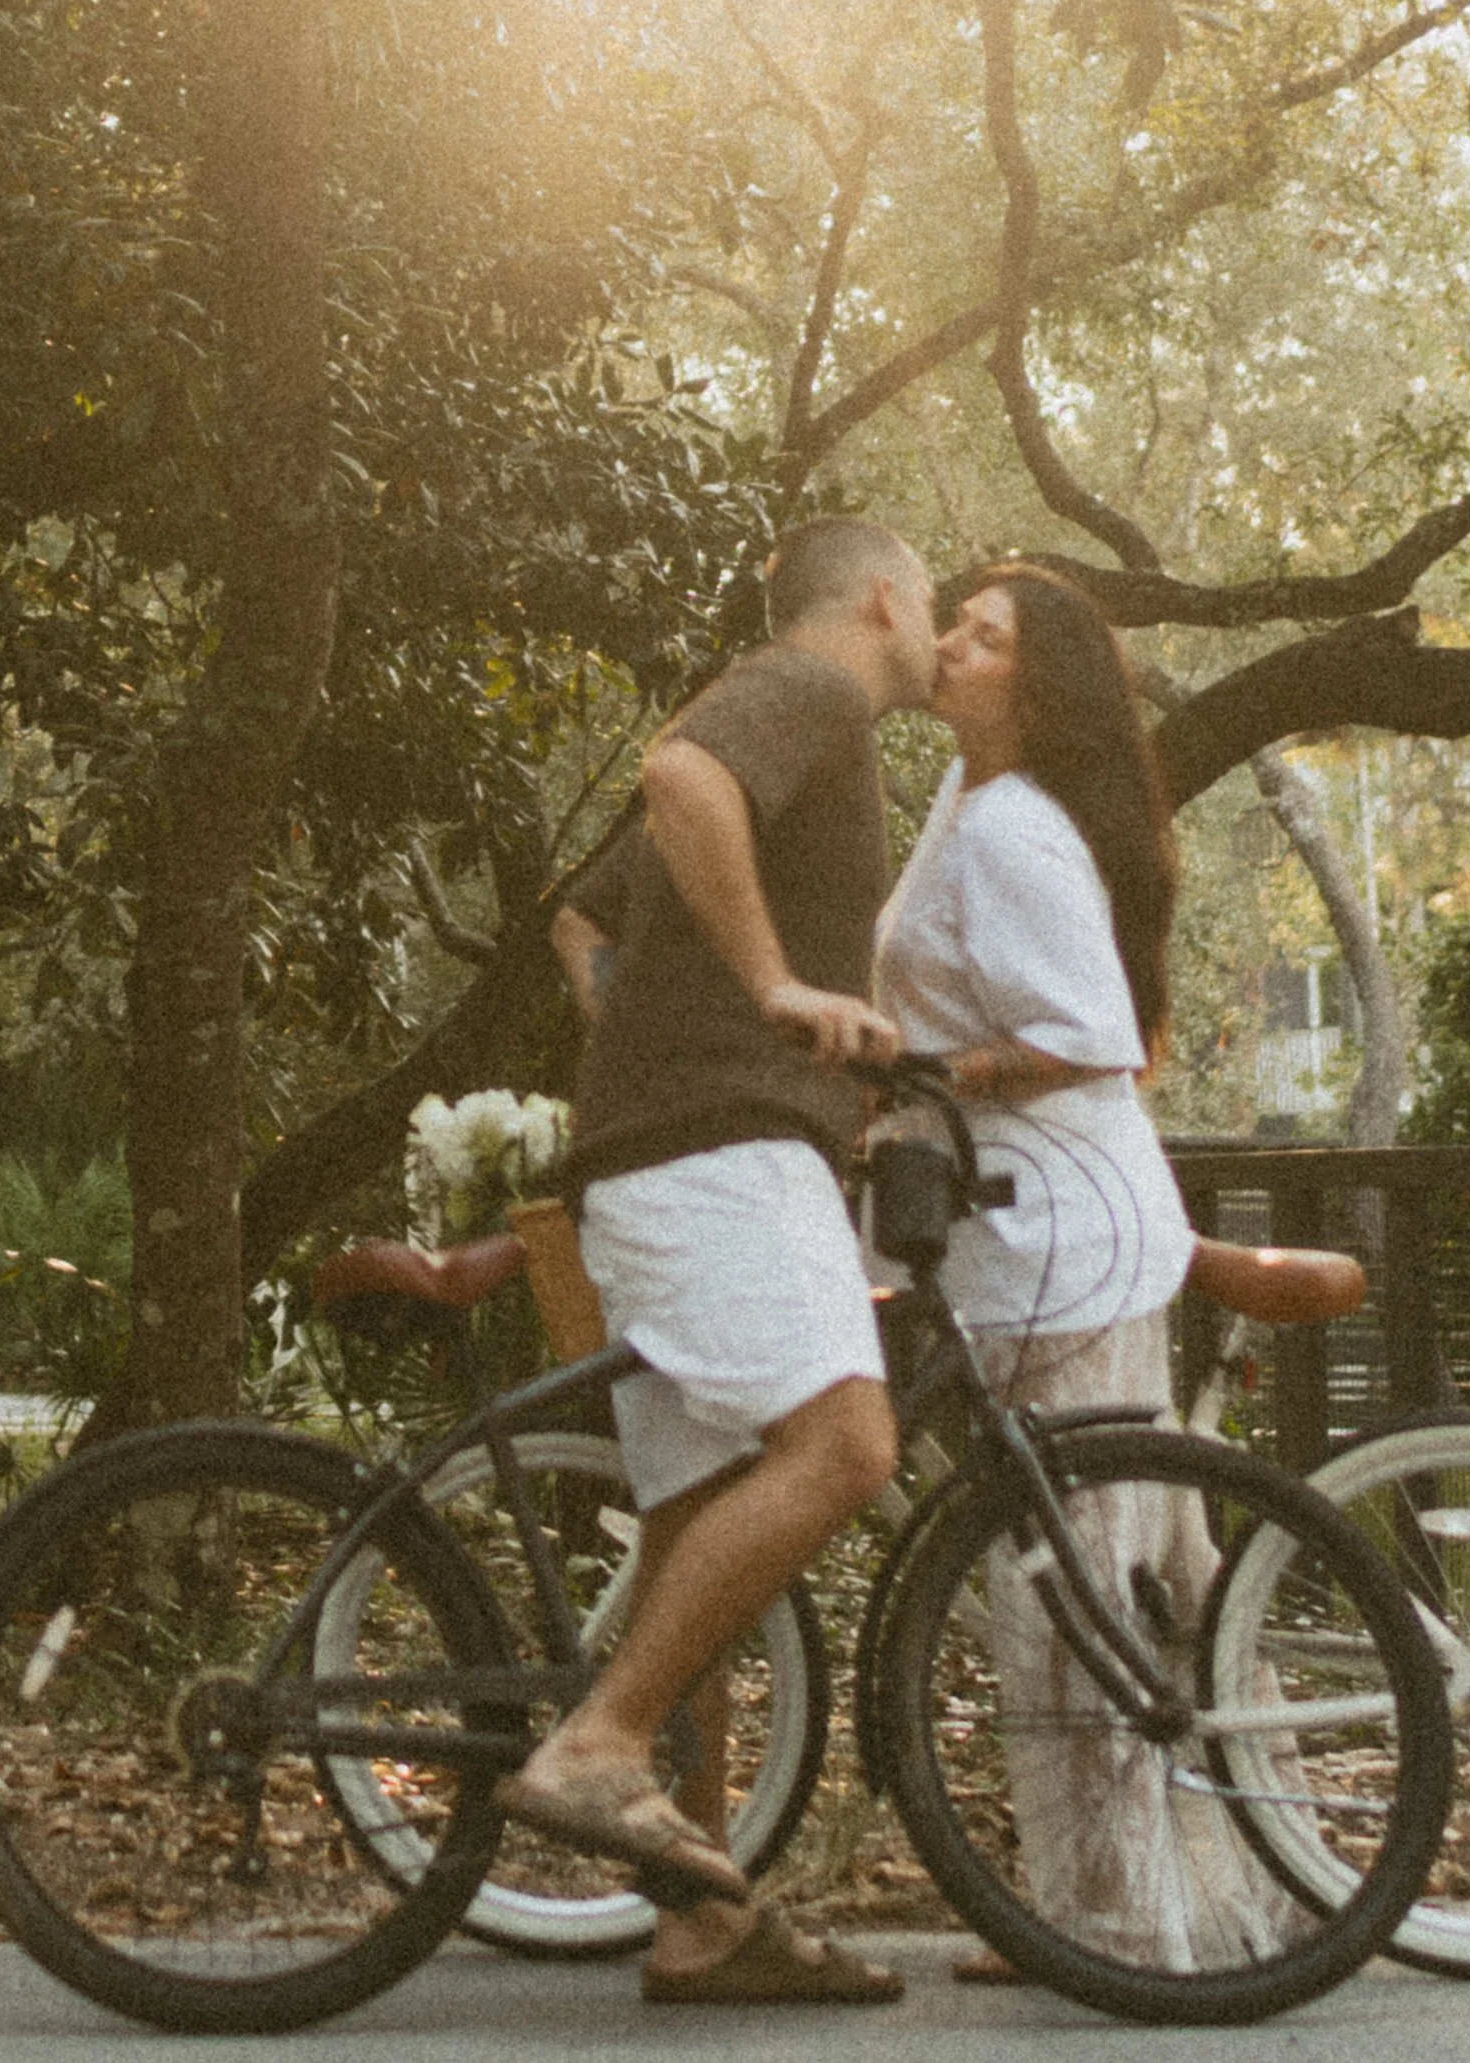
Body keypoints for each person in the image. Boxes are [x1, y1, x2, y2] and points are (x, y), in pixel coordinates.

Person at [507, 514, 936, 2005]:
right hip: (714, 1158)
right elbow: (678, 775)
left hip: (662, 1151)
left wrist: (650, 1039)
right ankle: (597, 1742)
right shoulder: (809, 690)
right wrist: (768, 993)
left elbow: (582, 918)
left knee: (705, 1546)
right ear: (886, 594)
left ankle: (696, 1917)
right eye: (934, 601)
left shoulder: (809, 739)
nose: (938, 631)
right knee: (844, 1448)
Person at [872, 558, 1293, 1978]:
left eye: (985, 639)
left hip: (1060, 1233)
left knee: (1079, 1588)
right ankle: (1138, 1891)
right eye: (957, 623)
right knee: (1086, 1574)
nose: (950, 645)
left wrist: (938, 1065)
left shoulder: (1010, 827)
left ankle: (1116, 1919)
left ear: (1035, 685)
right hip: (1023, 1227)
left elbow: (1093, 1029)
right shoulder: (967, 800)